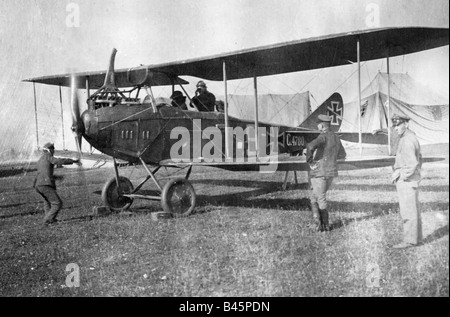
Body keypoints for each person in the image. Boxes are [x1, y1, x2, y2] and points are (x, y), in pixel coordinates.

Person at [305, 114, 346, 232]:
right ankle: (317, 222)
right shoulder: (336, 137)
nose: (318, 126)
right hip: (331, 173)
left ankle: (324, 226)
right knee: (314, 195)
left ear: (322, 125)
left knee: (320, 198)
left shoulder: (322, 136)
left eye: (318, 124)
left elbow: (310, 146)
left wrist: (310, 162)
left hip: (319, 172)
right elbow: (343, 154)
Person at [390, 114, 423, 249]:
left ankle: (409, 241)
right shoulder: (408, 137)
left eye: (398, 125)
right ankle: (416, 239)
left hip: (407, 180)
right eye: (395, 125)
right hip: (411, 179)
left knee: (408, 210)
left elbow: (412, 164)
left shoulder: (408, 140)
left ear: (406, 124)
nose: (396, 128)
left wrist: (401, 175)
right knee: (413, 210)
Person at [33, 142, 80, 226]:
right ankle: (47, 221)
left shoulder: (40, 159)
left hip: (38, 185)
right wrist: (72, 161)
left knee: (47, 202)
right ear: (49, 150)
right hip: (45, 185)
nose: (53, 151)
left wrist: (56, 177)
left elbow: (44, 173)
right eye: (53, 149)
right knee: (57, 203)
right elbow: (58, 161)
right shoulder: (48, 156)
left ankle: (50, 220)